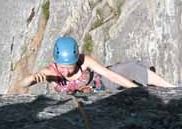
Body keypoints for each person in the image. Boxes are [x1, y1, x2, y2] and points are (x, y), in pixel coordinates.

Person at [19, 36, 175, 93]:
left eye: (70, 67)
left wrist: (137, 91)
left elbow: (110, 75)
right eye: (62, 67)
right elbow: (23, 84)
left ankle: (171, 89)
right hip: (82, 103)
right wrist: (32, 77)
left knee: (130, 68)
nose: (65, 72)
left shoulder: (83, 60)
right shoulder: (51, 72)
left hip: (100, 84)